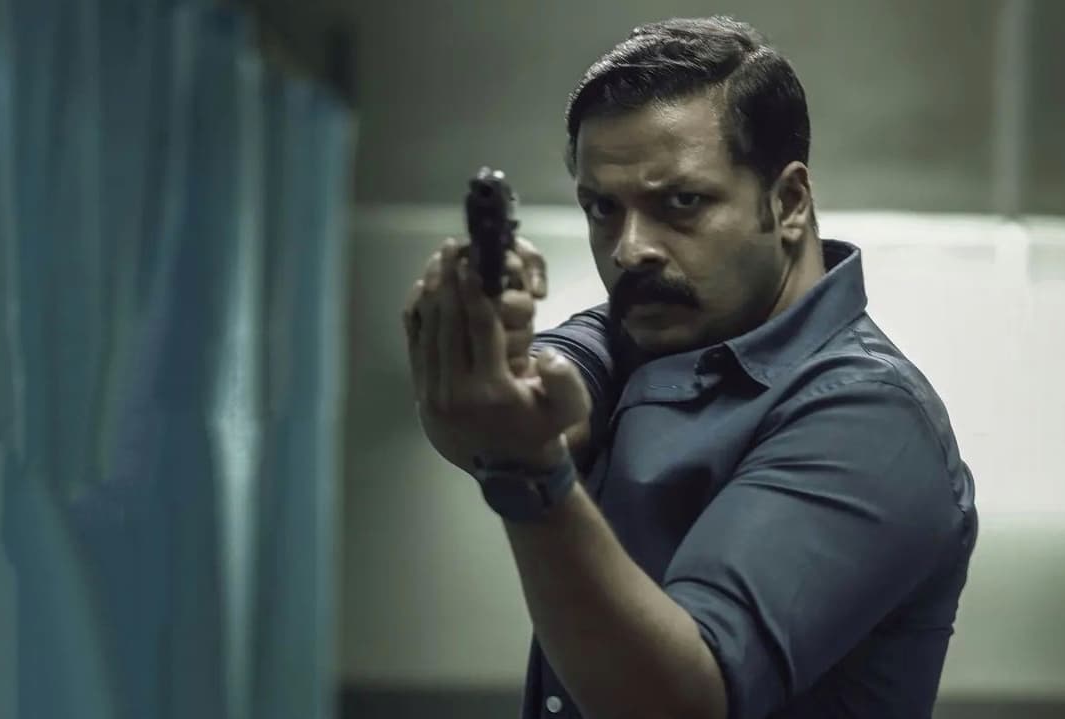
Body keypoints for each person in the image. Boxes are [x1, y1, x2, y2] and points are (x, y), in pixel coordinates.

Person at [401, 15, 977, 719]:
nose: (629, 250)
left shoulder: (869, 417)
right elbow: (558, 378)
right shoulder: (658, 329)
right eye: (602, 208)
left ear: (788, 203)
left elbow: (681, 701)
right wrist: (486, 359)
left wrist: (529, 472)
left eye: (681, 202)